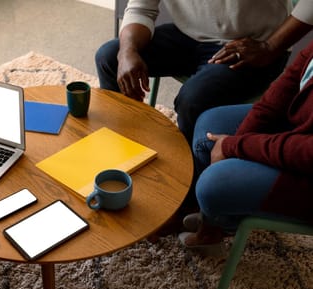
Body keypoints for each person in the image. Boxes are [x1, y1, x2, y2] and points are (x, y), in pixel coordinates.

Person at [95, 0, 313, 144]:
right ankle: (124, 145)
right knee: (109, 57)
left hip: (256, 44)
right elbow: (142, 7)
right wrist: (127, 51)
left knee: (193, 99)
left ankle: (189, 179)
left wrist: (270, 47)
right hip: (189, 35)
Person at [178, 39, 313, 255]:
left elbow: (306, 153)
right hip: (299, 127)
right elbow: (282, 91)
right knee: (209, 128)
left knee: (212, 184)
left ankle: (222, 216)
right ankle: (214, 224)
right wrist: (232, 145)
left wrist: (235, 146)